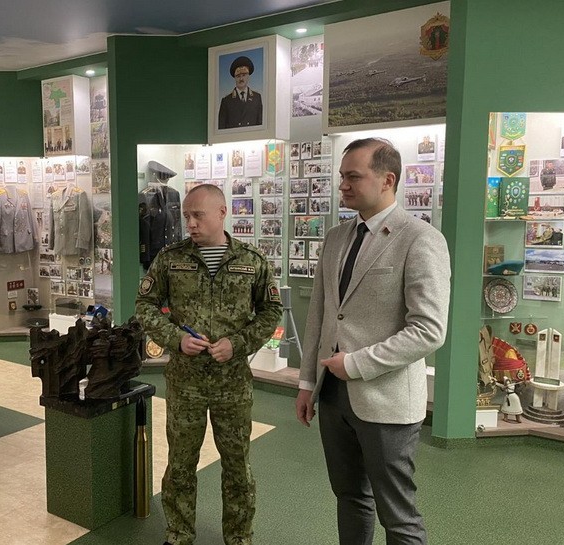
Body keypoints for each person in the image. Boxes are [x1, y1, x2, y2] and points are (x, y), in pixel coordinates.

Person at [296, 138, 451, 545]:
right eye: (341, 176)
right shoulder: (336, 238)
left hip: (387, 400)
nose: (343, 185)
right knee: (349, 497)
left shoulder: (420, 239)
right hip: (333, 397)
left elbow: (429, 329)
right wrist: (307, 383)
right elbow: (320, 316)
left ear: (387, 180)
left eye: (354, 176)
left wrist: (356, 363)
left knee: (398, 515)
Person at [135, 184, 283, 545]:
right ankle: (179, 534)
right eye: (186, 215)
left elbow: (271, 311)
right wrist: (176, 339)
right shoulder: (170, 258)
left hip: (233, 384)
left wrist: (238, 344)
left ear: (222, 213)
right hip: (185, 382)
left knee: (237, 466)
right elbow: (145, 306)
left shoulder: (252, 260)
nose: (190, 223)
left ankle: (239, 537)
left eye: (198, 215)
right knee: (181, 464)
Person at [218, 56, 263, 129]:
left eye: (244, 75)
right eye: (238, 76)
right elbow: (221, 127)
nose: (241, 79)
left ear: (248, 76)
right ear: (235, 78)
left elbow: (260, 123)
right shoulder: (226, 101)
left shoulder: (257, 98)